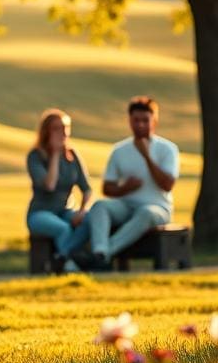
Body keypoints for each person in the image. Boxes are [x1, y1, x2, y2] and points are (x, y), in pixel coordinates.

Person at [88, 96, 179, 271]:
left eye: (145, 120)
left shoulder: (167, 149)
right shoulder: (119, 150)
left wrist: (147, 157)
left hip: (157, 208)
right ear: (129, 121)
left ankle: (104, 254)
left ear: (154, 121)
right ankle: (99, 249)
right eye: (136, 120)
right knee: (100, 206)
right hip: (127, 206)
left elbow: (167, 185)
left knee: (146, 212)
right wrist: (125, 188)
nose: (141, 125)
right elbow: (107, 188)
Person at [26, 109, 93, 273]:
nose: (63, 133)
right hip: (40, 213)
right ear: (46, 132)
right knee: (63, 228)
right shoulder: (35, 156)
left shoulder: (72, 155)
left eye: (65, 128)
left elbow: (87, 189)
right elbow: (49, 185)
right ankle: (71, 264)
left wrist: (82, 210)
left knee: (90, 220)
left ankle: (62, 257)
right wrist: (55, 154)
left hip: (65, 211)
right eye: (57, 128)